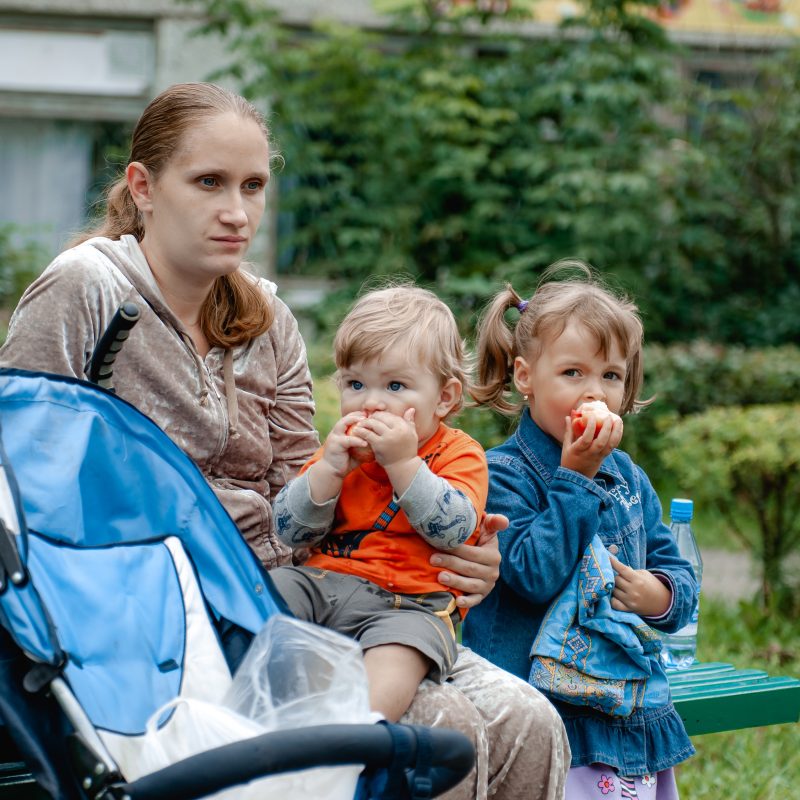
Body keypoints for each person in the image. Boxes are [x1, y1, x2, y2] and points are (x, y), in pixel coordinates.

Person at [0, 83, 569, 800]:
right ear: (143, 188)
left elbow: (309, 491)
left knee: (530, 721)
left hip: (308, 593)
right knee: (443, 727)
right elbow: (20, 484)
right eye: (208, 182)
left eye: (253, 185)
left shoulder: (267, 318)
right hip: (162, 619)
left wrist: (457, 551)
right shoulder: (85, 291)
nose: (237, 212)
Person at [463, 262, 698, 799]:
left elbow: (679, 576)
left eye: (610, 376)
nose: (594, 391)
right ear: (526, 377)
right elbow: (532, 576)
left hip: (620, 710)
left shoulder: (629, 477)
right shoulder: (500, 473)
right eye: (573, 374)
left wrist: (657, 594)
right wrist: (574, 479)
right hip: (541, 712)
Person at [270, 285, 488, 722]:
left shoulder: (459, 454)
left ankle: (355, 735)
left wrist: (405, 464)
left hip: (409, 604)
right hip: (322, 584)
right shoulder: (339, 453)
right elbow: (289, 531)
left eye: (395, 385)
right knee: (271, 593)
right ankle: (255, 708)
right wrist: (328, 473)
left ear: (444, 398)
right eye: (355, 383)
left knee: (401, 652)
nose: (371, 402)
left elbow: (453, 529)